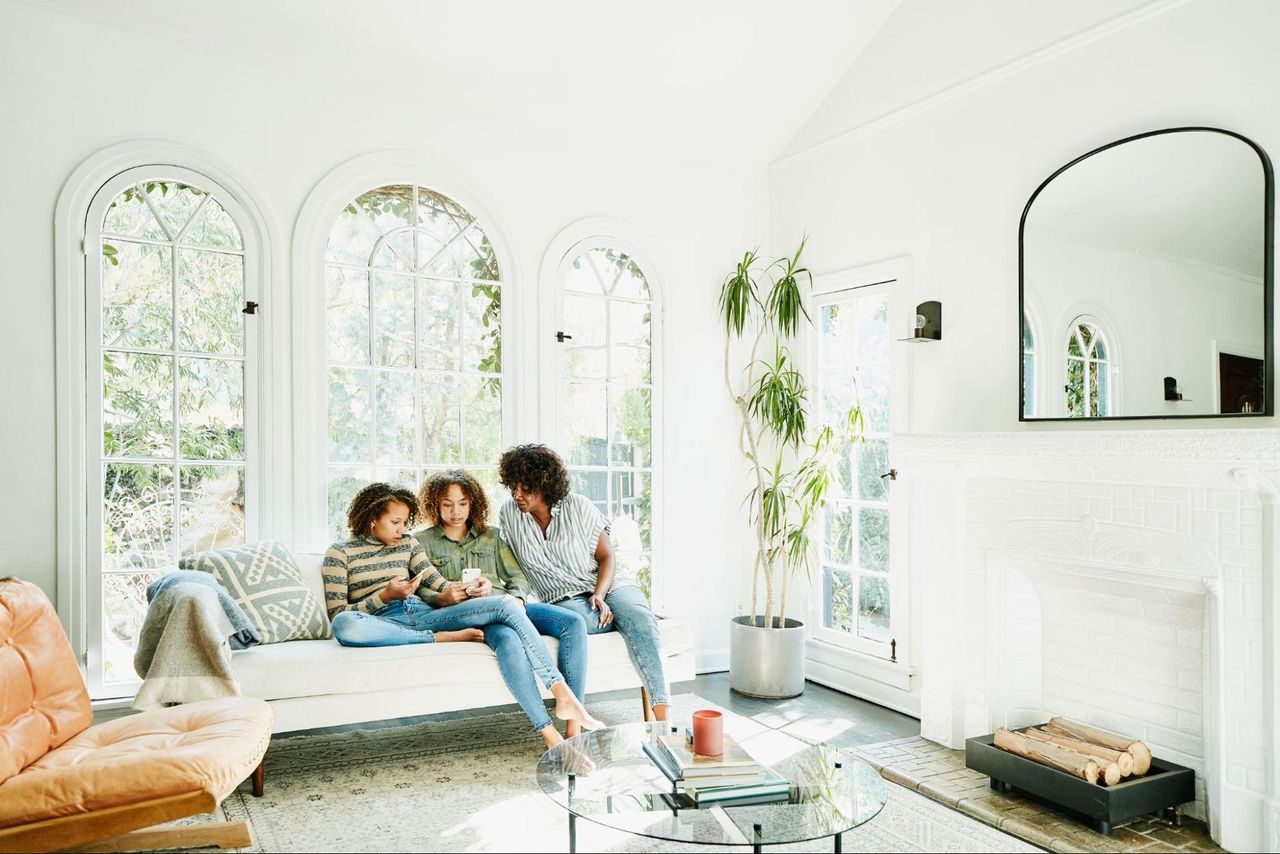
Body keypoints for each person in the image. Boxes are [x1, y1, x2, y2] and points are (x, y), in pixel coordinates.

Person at [323, 482, 603, 747]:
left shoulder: (409, 545)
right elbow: (338, 614)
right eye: (395, 522)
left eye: (405, 523)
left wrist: (469, 589)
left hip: (422, 615)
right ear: (372, 518)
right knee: (346, 626)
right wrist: (384, 596)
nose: (401, 529)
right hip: (382, 623)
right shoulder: (340, 553)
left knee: (506, 604)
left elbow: (439, 584)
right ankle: (436, 639)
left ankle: (561, 693)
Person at [497, 444, 671, 722]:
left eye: (526, 488)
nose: (518, 495)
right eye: (513, 487)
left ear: (545, 485)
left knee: (638, 617)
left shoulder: (578, 506)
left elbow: (607, 557)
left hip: (609, 584)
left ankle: (663, 720)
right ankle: (630, 619)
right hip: (563, 597)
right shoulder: (509, 515)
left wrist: (600, 595)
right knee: (583, 620)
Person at [416, 469, 593, 740]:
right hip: (468, 616)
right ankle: (547, 733)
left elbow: (517, 578)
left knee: (572, 622)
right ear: (434, 505)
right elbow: (418, 592)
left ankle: (574, 728)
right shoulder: (421, 542)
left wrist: (518, 601)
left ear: (473, 503)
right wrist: (442, 597)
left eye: (463, 503)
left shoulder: (492, 536)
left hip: (507, 607)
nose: (456, 512)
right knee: (508, 639)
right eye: (447, 504)